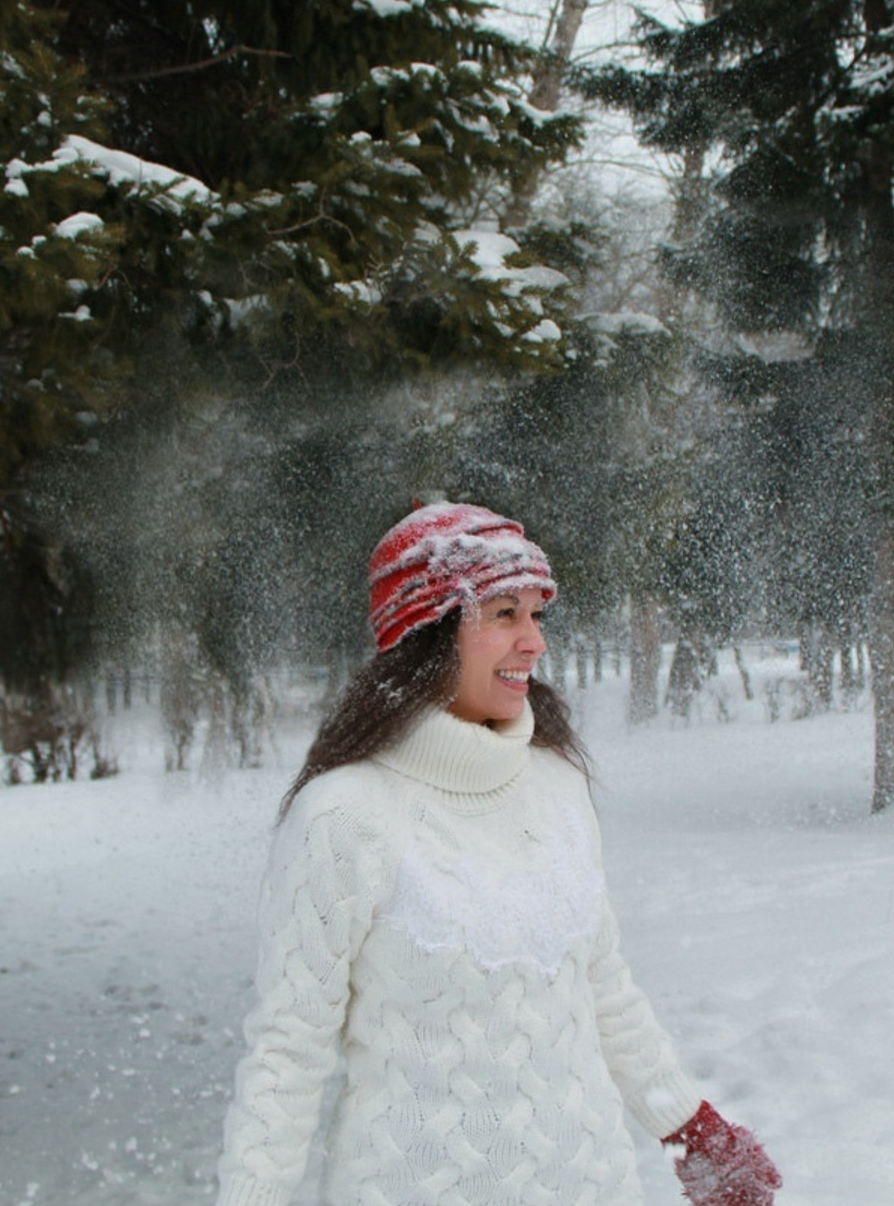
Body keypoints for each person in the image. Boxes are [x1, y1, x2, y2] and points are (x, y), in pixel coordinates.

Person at [215, 501, 782, 1206]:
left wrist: (691, 1124)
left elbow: (600, 985)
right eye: (505, 614)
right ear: (429, 634)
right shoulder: (345, 816)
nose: (535, 641)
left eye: (537, 614)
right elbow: (287, 1053)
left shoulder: (556, 783)